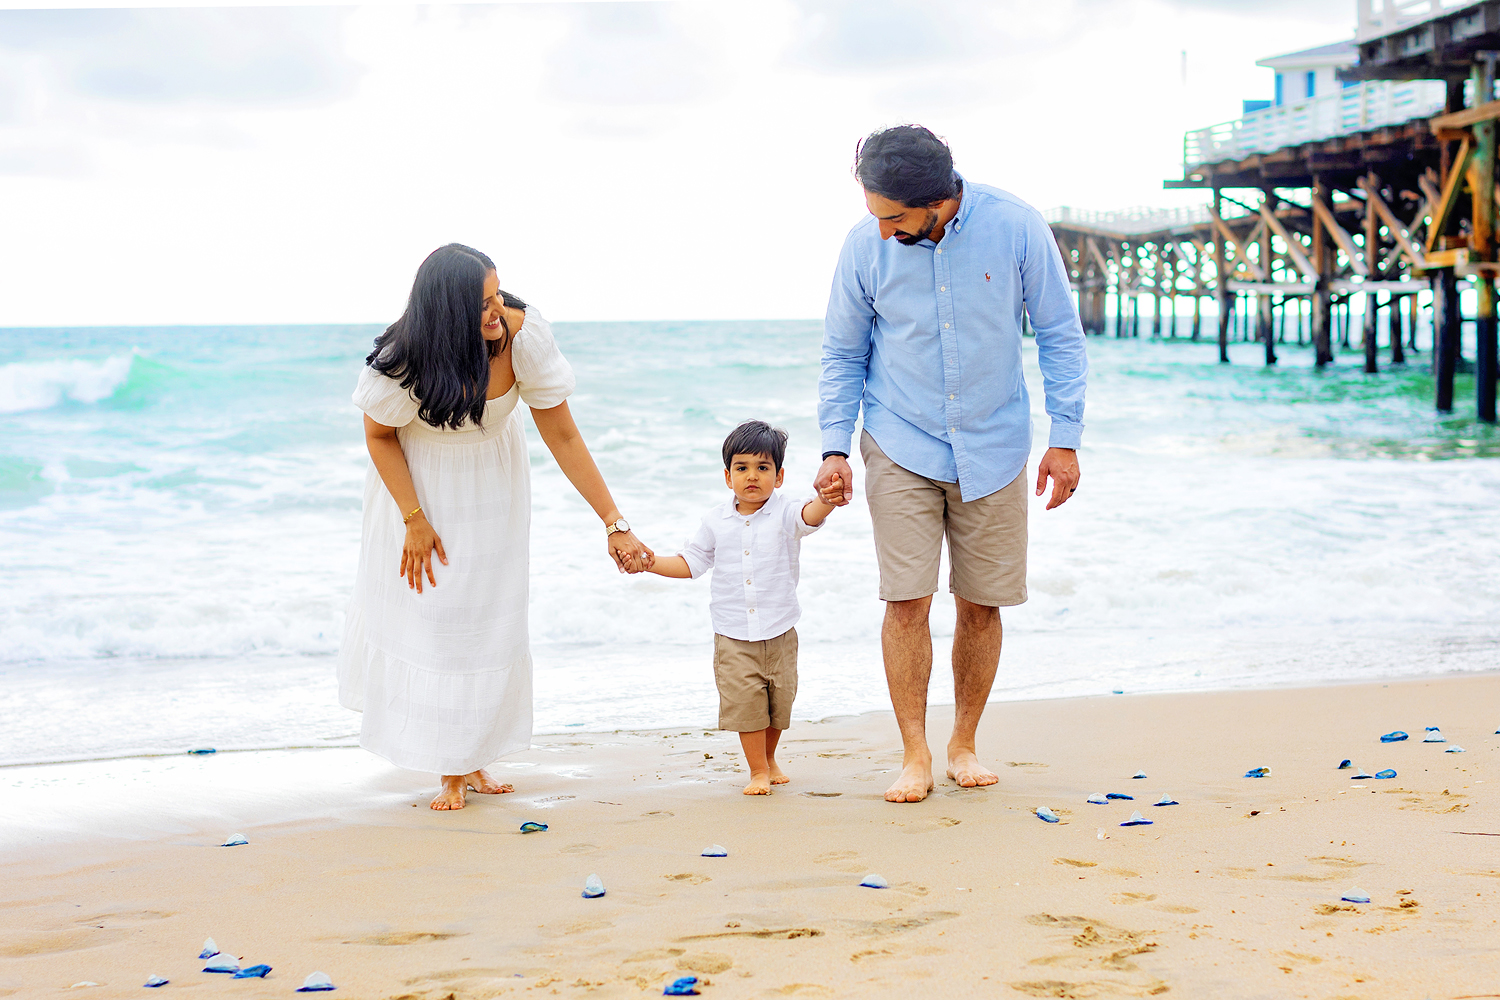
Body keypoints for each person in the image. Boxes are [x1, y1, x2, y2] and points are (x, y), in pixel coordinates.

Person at [815, 125, 1088, 804]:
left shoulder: (1017, 227)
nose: (880, 231)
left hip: (994, 446)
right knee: (905, 601)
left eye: (892, 217)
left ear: (937, 201)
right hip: (898, 438)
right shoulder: (863, 246)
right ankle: (915, 753)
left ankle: (964, 742)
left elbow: (1058, 331)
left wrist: (1067, 437)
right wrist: (833, 447)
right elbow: (842, 353)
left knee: (981, 603)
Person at [339, 243, 654, 810]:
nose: (498, 312)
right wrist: (413, 519)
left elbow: (563, 435)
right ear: (446, 314)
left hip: (495, 491)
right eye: (483, 304)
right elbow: (379, 437)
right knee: (436, 619)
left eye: (498, 295)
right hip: (421, 494)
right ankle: (450, 767)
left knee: (485, 621)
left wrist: (614, 521)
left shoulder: (522, 335)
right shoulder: (404, 356)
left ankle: (474, 754)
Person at [647, 420, 843, 794]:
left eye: (763, 467)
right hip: (734, 636)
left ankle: (770, 758)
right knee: (747, 707)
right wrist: (650, 561)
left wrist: (827, 500)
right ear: (727, 476)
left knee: (777, 705)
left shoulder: (786, 511)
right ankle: (757, 770)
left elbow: (809, 516)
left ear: (780, 476)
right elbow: (691, 563)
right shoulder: (715, 521)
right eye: (742, 468)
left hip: (780, 630)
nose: (752, 476)